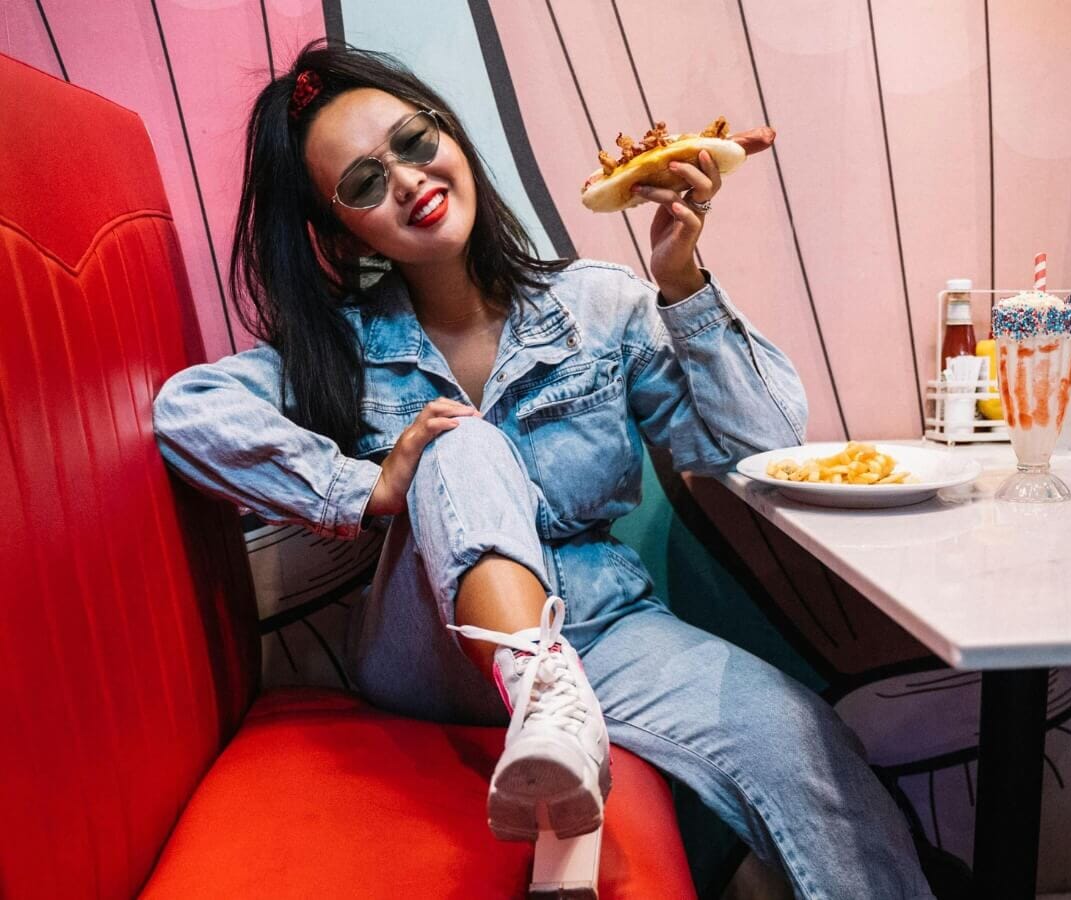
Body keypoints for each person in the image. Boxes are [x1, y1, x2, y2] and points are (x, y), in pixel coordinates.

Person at [152, 39, 934, 898]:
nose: (408, 181)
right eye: (365, 183)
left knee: (803, 739)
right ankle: (541, 688)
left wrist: (682, 282)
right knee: (458, 438)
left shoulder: (601, 305)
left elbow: (762, 444)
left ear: (450, 137)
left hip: (602, 628)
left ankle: (559, 709)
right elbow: (188, 413)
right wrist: (366, 489)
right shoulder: (340, 347)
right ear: (343, 227)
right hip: (435, 649)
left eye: (414, 143)